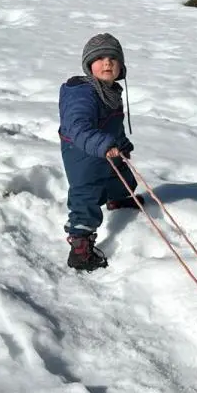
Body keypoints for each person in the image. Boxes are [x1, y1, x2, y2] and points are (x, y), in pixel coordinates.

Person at [58, 33, 144, 271]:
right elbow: (78, 126)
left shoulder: (111, 91)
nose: (107, 63)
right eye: (100, 58)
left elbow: (113, 125)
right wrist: (103, 144)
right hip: (81, 153)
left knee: (122, 177)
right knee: (86, 195)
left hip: (105, 148)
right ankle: (80, 247)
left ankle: (117, 199)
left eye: (113, 58)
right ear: (89, 65)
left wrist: (121, 143)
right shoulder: (82, 93)